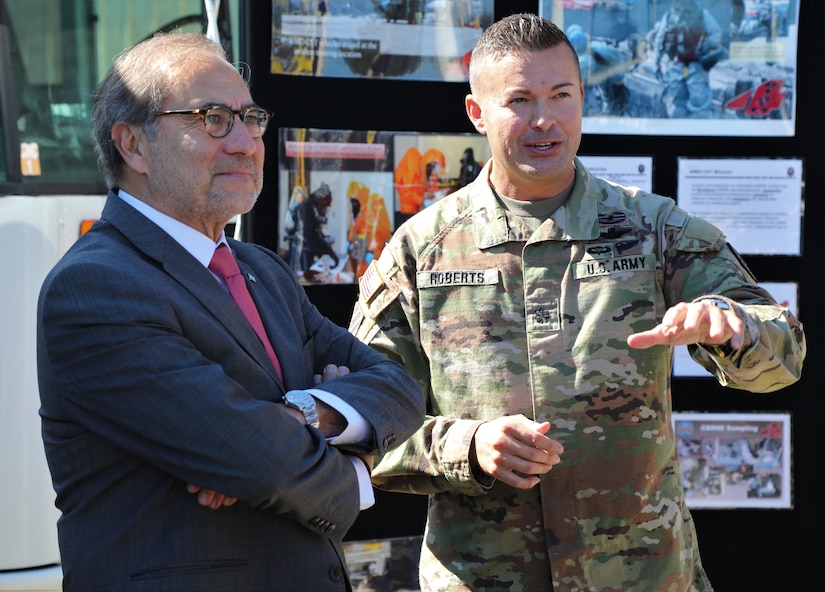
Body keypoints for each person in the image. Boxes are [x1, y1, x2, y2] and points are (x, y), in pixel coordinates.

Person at [349, 13, 805, 592]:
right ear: (477, 113)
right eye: (519, 99)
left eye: (561, 95)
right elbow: (360, 418)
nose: (545, 119)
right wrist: (465, 446)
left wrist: (737, 328)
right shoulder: (420, 252)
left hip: (642, 575)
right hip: (485, 576)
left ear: (583, 100)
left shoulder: (654, 229)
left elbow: (785, 357)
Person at [36, 32, 424, 592]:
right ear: (133, 146)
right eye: (212, 118)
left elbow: (400, 386)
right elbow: (260, 462)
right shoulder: (96, 286)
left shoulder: (261, 269)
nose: (245, 142)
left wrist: (306, 415)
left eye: (250, 117)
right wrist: (358, 467)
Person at [651, 0, 727, 118]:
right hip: (682, 66)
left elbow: (715, 34)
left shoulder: (698, 14)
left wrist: (706, 45)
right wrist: (656, 61)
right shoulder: (674, 15)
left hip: (688, 65)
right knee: (688, 104)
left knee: (690, 103)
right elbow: (660, 40)